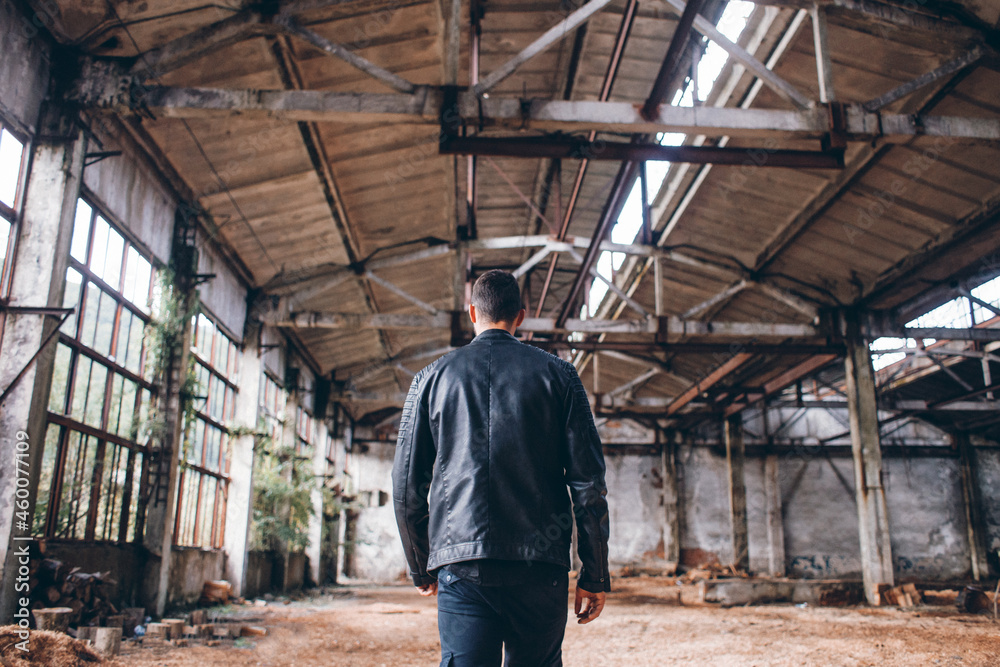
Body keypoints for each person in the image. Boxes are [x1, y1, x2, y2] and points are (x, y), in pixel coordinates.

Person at [392, 269, 610, 666]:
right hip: (540, 565)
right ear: (520, 317)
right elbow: (588, 484)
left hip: (462, 566)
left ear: (472, 312)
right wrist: (594, 574)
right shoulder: (560, 376)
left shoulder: (431, 379)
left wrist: (420, 564)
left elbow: (406, 485)